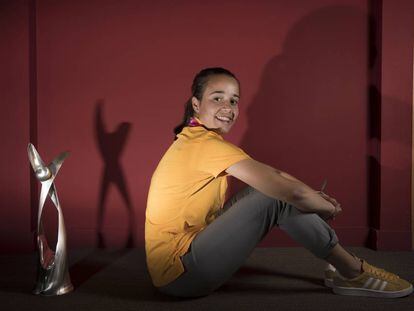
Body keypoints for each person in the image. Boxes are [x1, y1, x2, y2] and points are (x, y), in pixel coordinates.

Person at [144, 67, 413, 299]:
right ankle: (354, 272)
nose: (228, 108)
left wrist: (311, 195)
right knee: (273, 197)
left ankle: (345, 268)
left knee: (268, 191)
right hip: (181, 275)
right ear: (196, 104)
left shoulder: (196, 139)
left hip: (187, 257)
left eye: (234, 100)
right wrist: (324, 206)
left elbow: (274, 176)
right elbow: (284, 188)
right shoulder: (204, 145)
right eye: (217, 99)